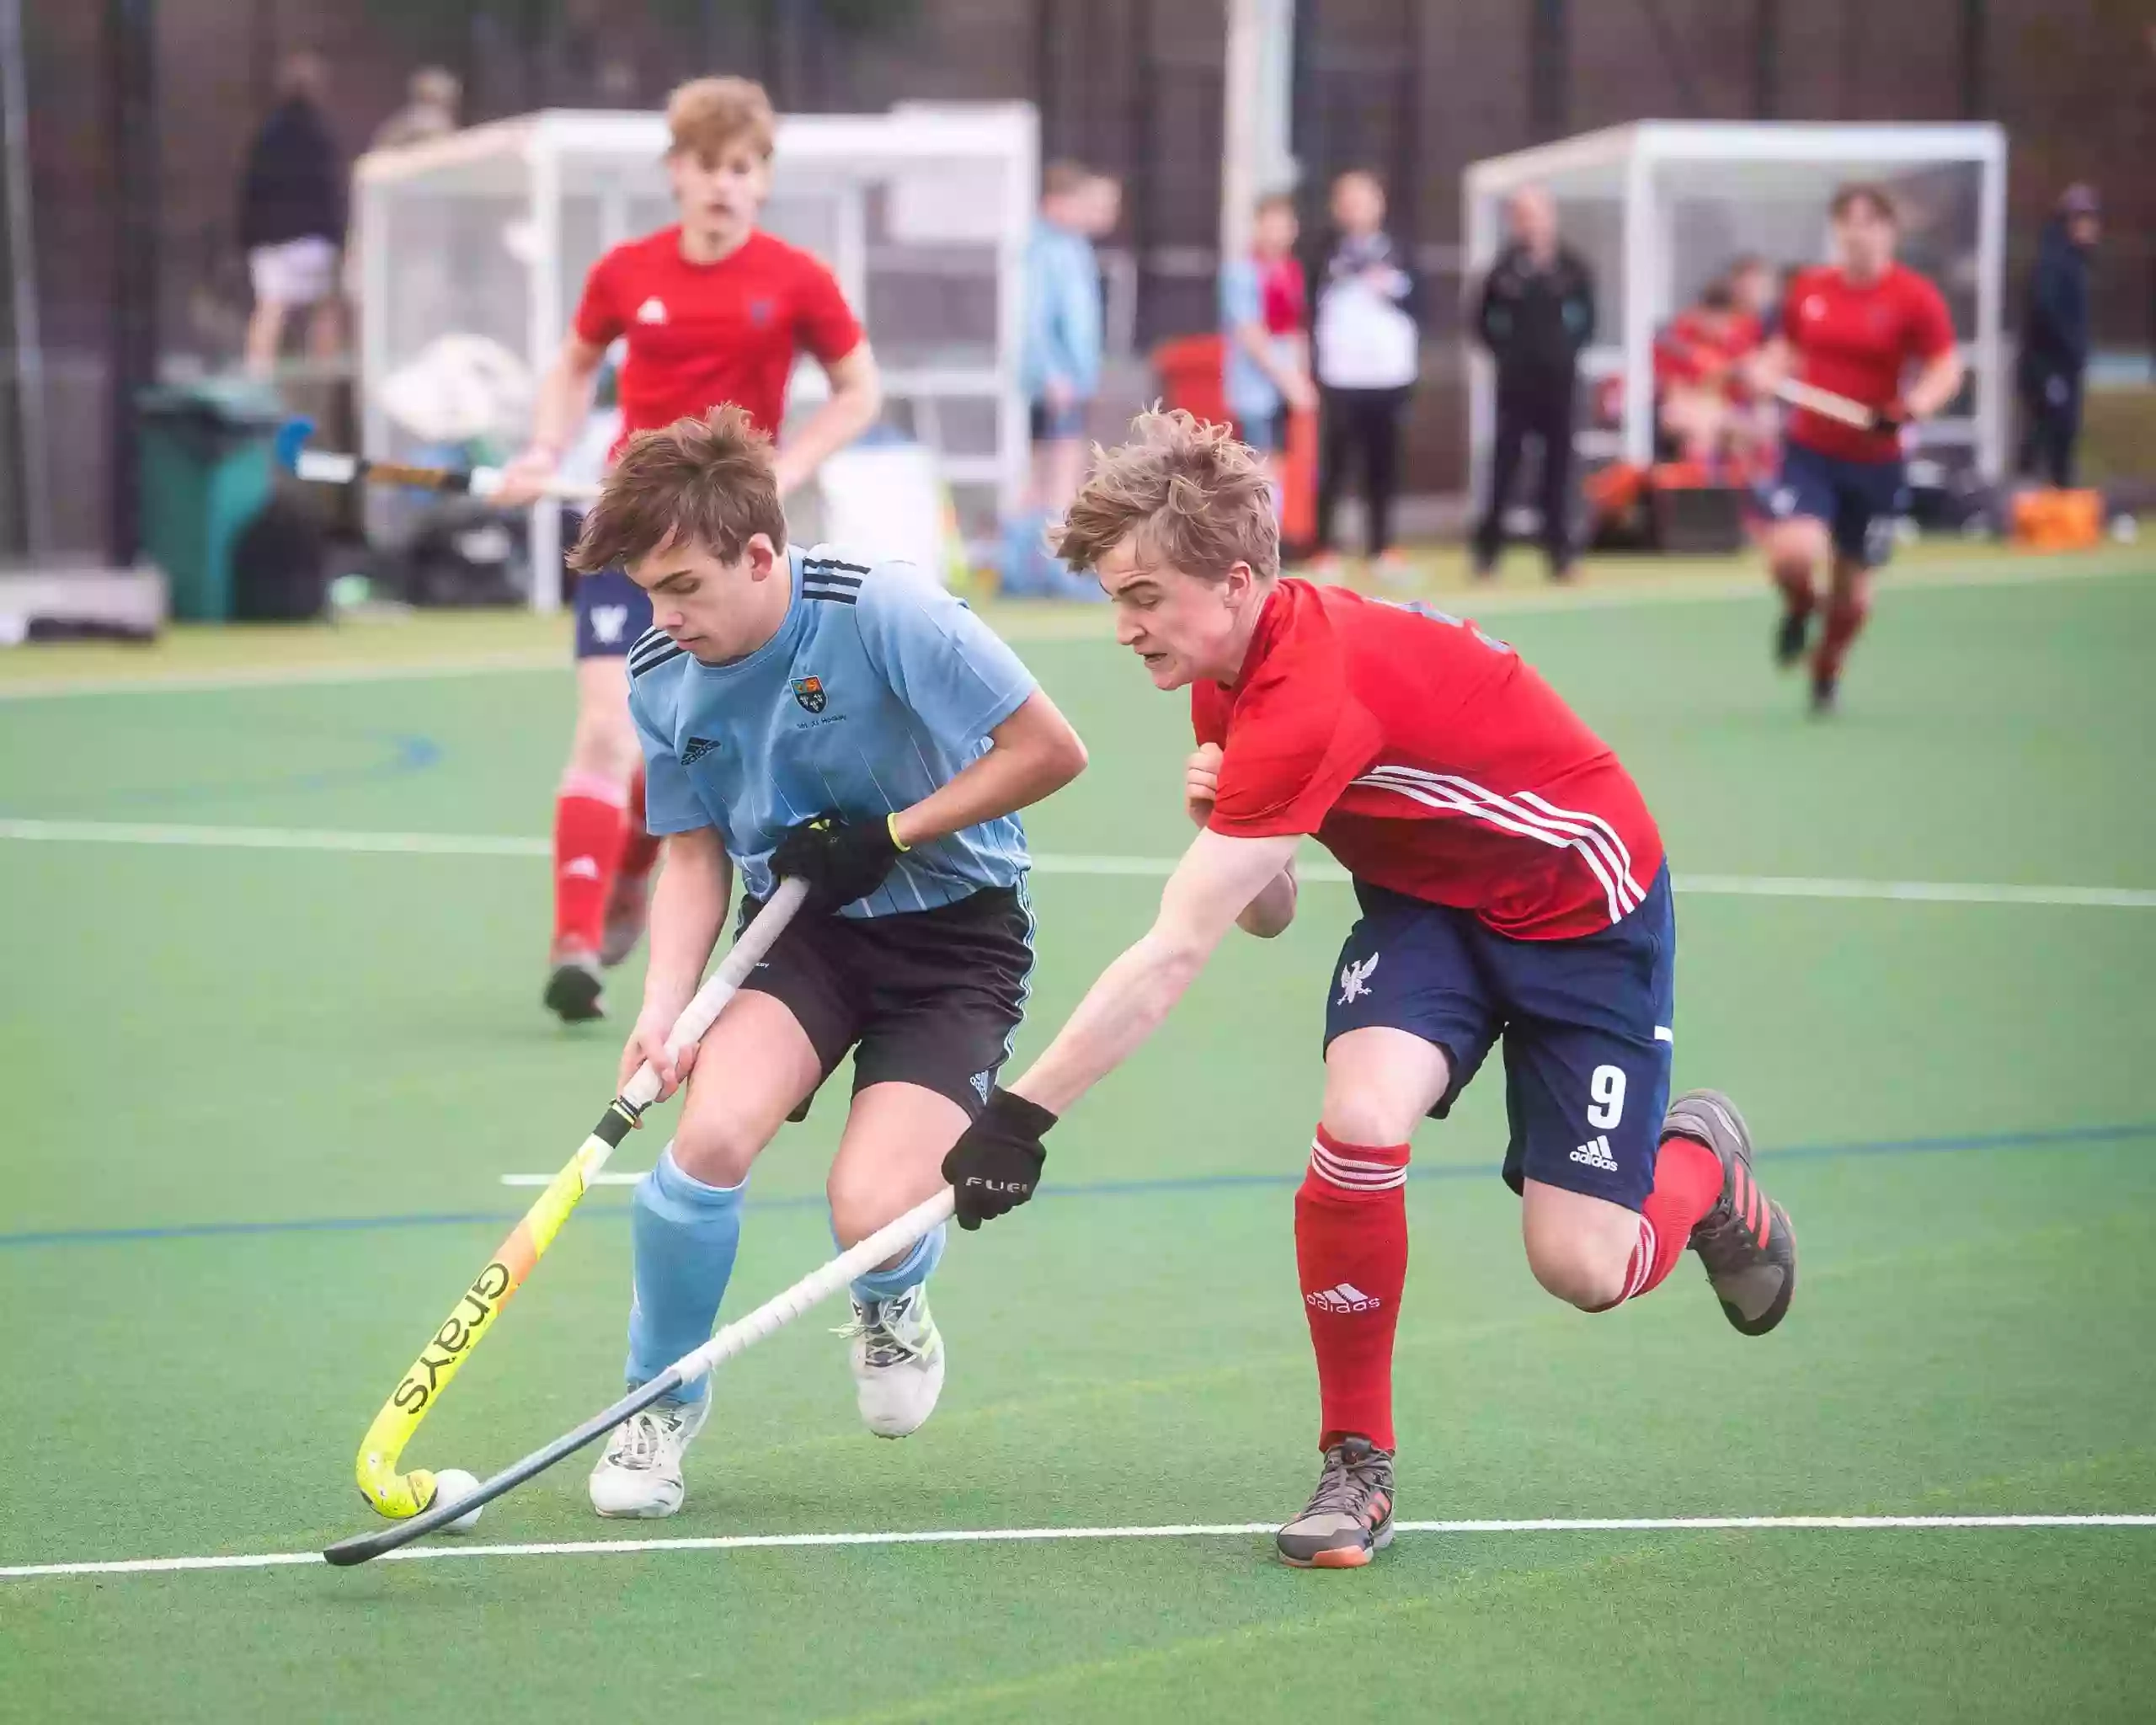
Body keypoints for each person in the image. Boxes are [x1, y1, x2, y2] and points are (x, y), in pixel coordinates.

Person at [939, 409, 1796, 1569]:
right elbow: (1271, 910)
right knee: (1358, 1120)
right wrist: (1223, 820)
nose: (1125, 626)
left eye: (1143, 595)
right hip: (1432, 909)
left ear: (1236, 581)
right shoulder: (1224, 675)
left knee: (1586, 1269)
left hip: (1584, 914)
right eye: (1113, 599)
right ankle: (1357, 1465)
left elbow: (1173, 953)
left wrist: (1021, 1115)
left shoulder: (1308, 690)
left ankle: (1703, 1165)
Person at [573, 405, 1087, 1518]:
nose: (663, 616)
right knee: (707, 1134)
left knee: (870, 1210)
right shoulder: (662, 670)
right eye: (646, 591)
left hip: (955, 934)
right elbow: (693, 857)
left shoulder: (883, 608)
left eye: (684, 586)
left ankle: (892, 1296)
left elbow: (1053, 750)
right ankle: (652, 1408)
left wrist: (892, 834)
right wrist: (668, 1011)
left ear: (761, 555)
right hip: (797, 933)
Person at [491, 77, 883, 1023]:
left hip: (738, 543)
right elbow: (576, 364)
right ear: (677, 173)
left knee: (709, 738)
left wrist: (786, 469)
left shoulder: (795, 278)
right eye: (707, 166)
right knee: (605, 723)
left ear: (762, 179)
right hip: (631, 531)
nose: (723, 184)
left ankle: (633, 862)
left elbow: (858, 389)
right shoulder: (626, 273)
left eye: (741, 168)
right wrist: (546, 448)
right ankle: (576, 939)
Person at [1753, 184, 1965, 713]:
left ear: (1889, 230)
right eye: (1847, 220)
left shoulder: (1914, 298)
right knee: (1792, 556)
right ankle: (1802, 606)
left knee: (1853, 597)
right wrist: (1766, 370)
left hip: (1874, 464)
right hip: (1811, 451)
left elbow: (1946, 367)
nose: (1857, 231)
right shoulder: (1810, 289)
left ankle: (1827, 666)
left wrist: (1912, 406)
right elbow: (1783, 349)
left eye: (1869, 220)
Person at [1470, 185, 1595, 581]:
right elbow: (1481, 322)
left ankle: (1561, 555)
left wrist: (1563, 353)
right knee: (1505, 466)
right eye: (1523, 215)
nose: (1531, 222)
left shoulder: (1573, 267)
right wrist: (1508, 355)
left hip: (1559, 385)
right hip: (1515, 386)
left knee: (1559, 470)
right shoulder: (1502, 271)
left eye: (1537, 213)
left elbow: (1587, 320)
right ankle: (1487, 554)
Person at [1006, 163, 1121, 596]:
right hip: (1055, 383)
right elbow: (1034, 320)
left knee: (1050, 473)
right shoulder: (1044, 249)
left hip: (1071, 379)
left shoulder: (1073, 248)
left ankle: (1028, 566)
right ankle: (1049, 570)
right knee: (1056, 474)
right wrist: (1052, 373)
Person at [1310, 170, 1420, 580]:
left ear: (1380, 203)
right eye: (1347, 200)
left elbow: (1421, 304)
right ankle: (1326, 548)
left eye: (1363, 199)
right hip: (1340, 375)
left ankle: (1382, 548)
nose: (1355, 209)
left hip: (1389, 376)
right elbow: (1309, 308)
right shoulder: (1322, 254)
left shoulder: (1400, 251)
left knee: (1384, 465)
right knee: (1335, 465)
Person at [238, 52, 346, 378]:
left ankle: (256, 379)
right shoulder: (320, 136)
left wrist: (248, 237)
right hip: (311, 237)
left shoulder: (266, 135)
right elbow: (328, 191)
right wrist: (337, 237)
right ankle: (324, 381)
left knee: (271, 307)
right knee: (325, 308)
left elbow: (252, 189)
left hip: (269, 238)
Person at [1220, 193, 1315, 499]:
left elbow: (1296, 329)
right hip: (1255, 387)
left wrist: (1301, 376)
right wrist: (1288, 379)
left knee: (1277, 463)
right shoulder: (1242, 273)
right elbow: (1251, 335)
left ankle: (1270, 533)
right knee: (1255, 464)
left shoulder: (1290, 273)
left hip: (1282, 388)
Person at [2017, 184, 2100, 488]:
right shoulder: (2053, 262)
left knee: (2059, 433)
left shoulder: (2075, 262)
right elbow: (2046, 313)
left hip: (2063, 366)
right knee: (2047, 432)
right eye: (2082, 218)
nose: (2090, 227)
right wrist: (2067, 352)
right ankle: (2033, 501)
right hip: (2050, 368)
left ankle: (2057, 500)